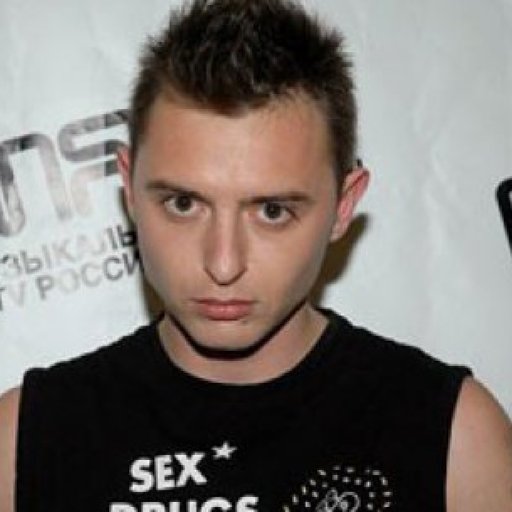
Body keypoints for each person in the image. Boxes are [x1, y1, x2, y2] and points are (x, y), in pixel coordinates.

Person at [1, 0, 511, 510]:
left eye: (271, 211)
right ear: (130, 188)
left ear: (343, 205)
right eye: (183, 204)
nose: (223, 264)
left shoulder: (453, 438)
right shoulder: (24, 441)